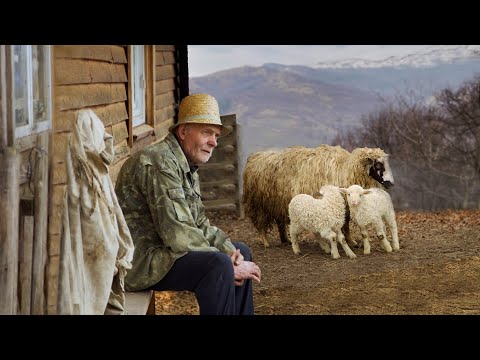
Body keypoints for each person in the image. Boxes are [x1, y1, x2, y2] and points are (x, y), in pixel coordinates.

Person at [115, 93, 261, 315]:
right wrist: (228, 263)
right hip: (139, 262)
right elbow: (179, 234)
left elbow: (199, 221)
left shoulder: (186, 165)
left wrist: (230, 251)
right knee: (218, 265)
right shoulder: (159, 163)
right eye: (206, 133)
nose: (213, 142)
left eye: (217, 135)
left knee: (241, 251)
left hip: (163, 251)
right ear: (183, 132)